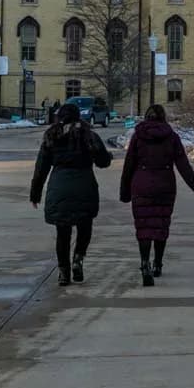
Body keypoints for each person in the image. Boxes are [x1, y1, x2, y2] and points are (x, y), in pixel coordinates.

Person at [119, 104, 194, 287]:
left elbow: (129, 166)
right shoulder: (171, 137)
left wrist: (125, 192)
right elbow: (183, 165)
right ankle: (157, 264)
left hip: (141, 186)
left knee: (143, 226)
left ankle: (145, 263)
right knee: (160, 225)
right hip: (165, 186)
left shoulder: (138, 136)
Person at [29, 102, 112, 286]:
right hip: (85, 186)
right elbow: (103, 161)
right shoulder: (89, 135)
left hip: (59, 187)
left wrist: (35, 193)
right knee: (85, 226)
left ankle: (63, 272)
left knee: (62, 231)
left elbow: (41, 167)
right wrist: (107, 157)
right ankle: (78, 258)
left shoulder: (52, 136)